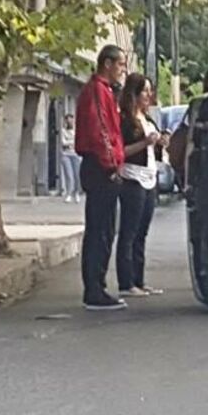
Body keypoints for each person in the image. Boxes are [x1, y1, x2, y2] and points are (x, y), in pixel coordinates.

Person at [76, 44, 129, 311]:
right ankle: (94, 289)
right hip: (100, 166)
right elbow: (101, 131)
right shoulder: (97, 90)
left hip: (105, 165)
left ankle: (98, 284)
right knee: (99, 230)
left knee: (106, 229)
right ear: (107, 64)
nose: (122, 70)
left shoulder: (107, 91)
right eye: (120, 64)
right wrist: (111, 165)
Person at [117, 74, 167, 298]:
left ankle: (139, 279)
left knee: (142, 233)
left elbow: (153, 148)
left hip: (149, 177)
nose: (148, 95)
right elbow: (122, 151)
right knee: (129, 231)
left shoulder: (147, 119)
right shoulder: (126, 120)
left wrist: (160, 142)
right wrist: (145, 142)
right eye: (144, 91)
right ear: (134, 94)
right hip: (132, 177)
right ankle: (126, 282)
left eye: (149, 91)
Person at [60, 113, 82, 203]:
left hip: (76, 154)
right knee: (69, 175)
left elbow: (78, 140)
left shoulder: (77, 130)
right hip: (66, 155)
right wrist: (72, 142)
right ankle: (69, 193)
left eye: (71, 120)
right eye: (67, 120)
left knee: (77, 175)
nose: (69, 122)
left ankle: (76, 193)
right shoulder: (63, 131)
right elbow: (63, 142)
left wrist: (69, 142)